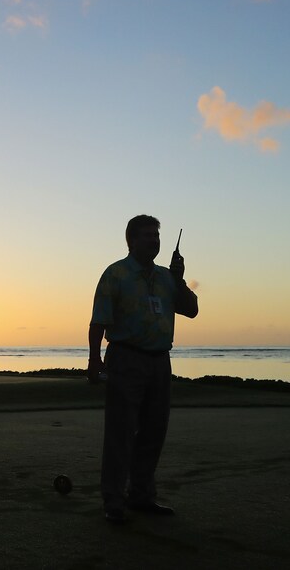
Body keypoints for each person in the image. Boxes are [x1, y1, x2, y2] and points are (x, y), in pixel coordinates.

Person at [88, 214, 198, 524]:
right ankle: (113, 500)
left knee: (154, 431)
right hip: (125, 358)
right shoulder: (116, 274)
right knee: (120, 432)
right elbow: (99, 321)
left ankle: (141, 496)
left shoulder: (166, 277)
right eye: (148, 235)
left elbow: (191, 310)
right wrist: (94, 359)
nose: (154, 240)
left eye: (156, 236)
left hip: (160, 361)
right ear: (132, 240)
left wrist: (179, 278)